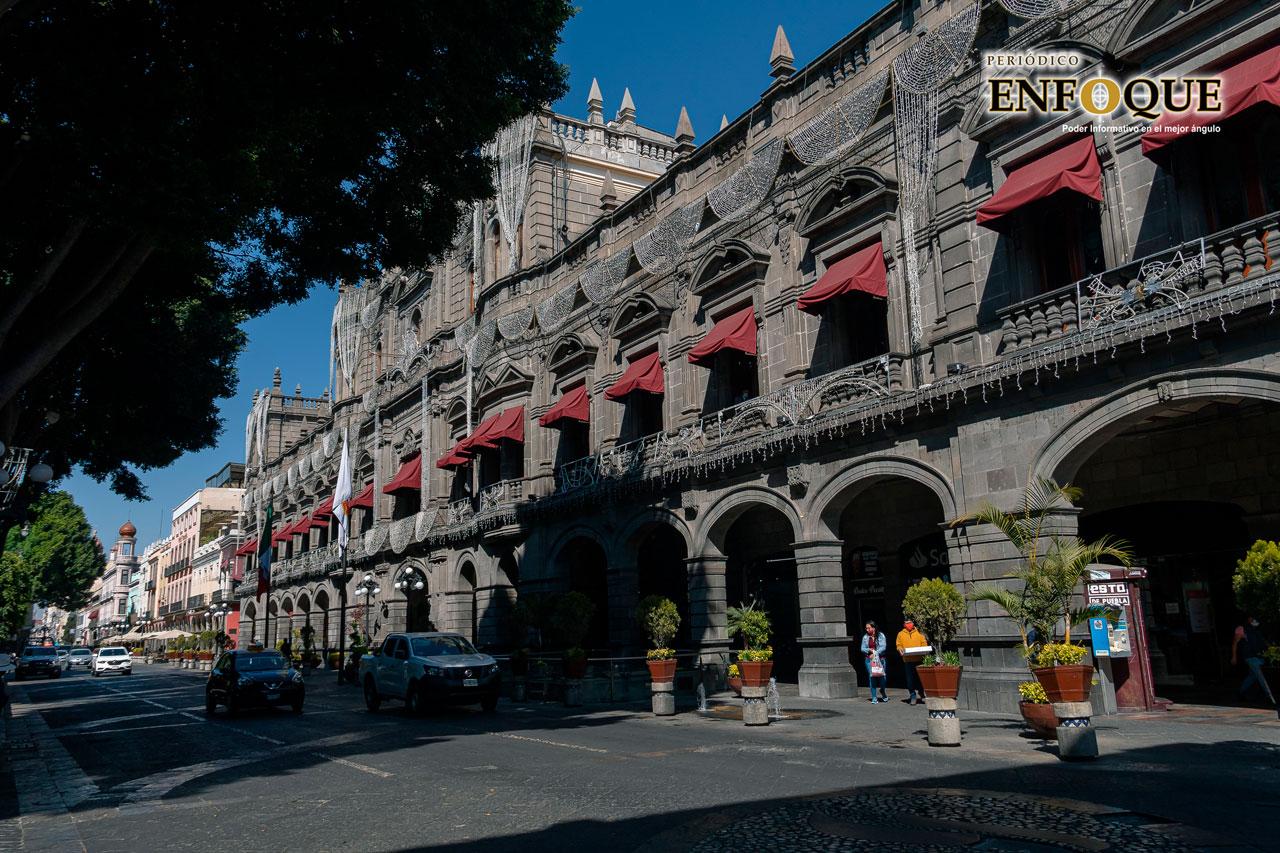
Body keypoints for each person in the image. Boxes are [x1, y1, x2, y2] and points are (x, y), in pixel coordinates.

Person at [1231, 614, 1275, 705]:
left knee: (1253, 676)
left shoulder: (1256, 628)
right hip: (1251, 656)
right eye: (1254, 618)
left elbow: (1263, 640)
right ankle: (1271, 697)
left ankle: (1240, 692)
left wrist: (1272, 650)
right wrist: (1234, 657)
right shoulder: (1242, 628)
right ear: (1249, 618)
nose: (1256, 620)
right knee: (1262, 677)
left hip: (1260, 655)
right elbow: (1235, 643)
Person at [896, 617, 929, 706]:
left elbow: (924, 643)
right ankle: (912, 696)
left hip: (919, 659)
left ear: (913, 623)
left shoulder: (919, 633)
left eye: (910, 622)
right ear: (904, 625)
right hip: (908, 660)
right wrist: (900, 649)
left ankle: (922, 694)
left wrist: (924, 649)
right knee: (910, 679)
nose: (909, 624)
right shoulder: (900, 634)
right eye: (907, 623)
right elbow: (899, 645)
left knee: (920, 678)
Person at [861, 621, 888, 703]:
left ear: (874, 628)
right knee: (871, 677)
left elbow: (883, 647)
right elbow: (862, 648)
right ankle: (874, 697)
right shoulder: (865, 637)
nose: (867, 630)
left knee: (882, 677)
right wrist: (869, 650)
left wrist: (875, 653)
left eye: (869, 628)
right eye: (866, 628)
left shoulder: (881, 635)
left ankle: (882, 690)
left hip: (880, 659)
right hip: (869, 659)